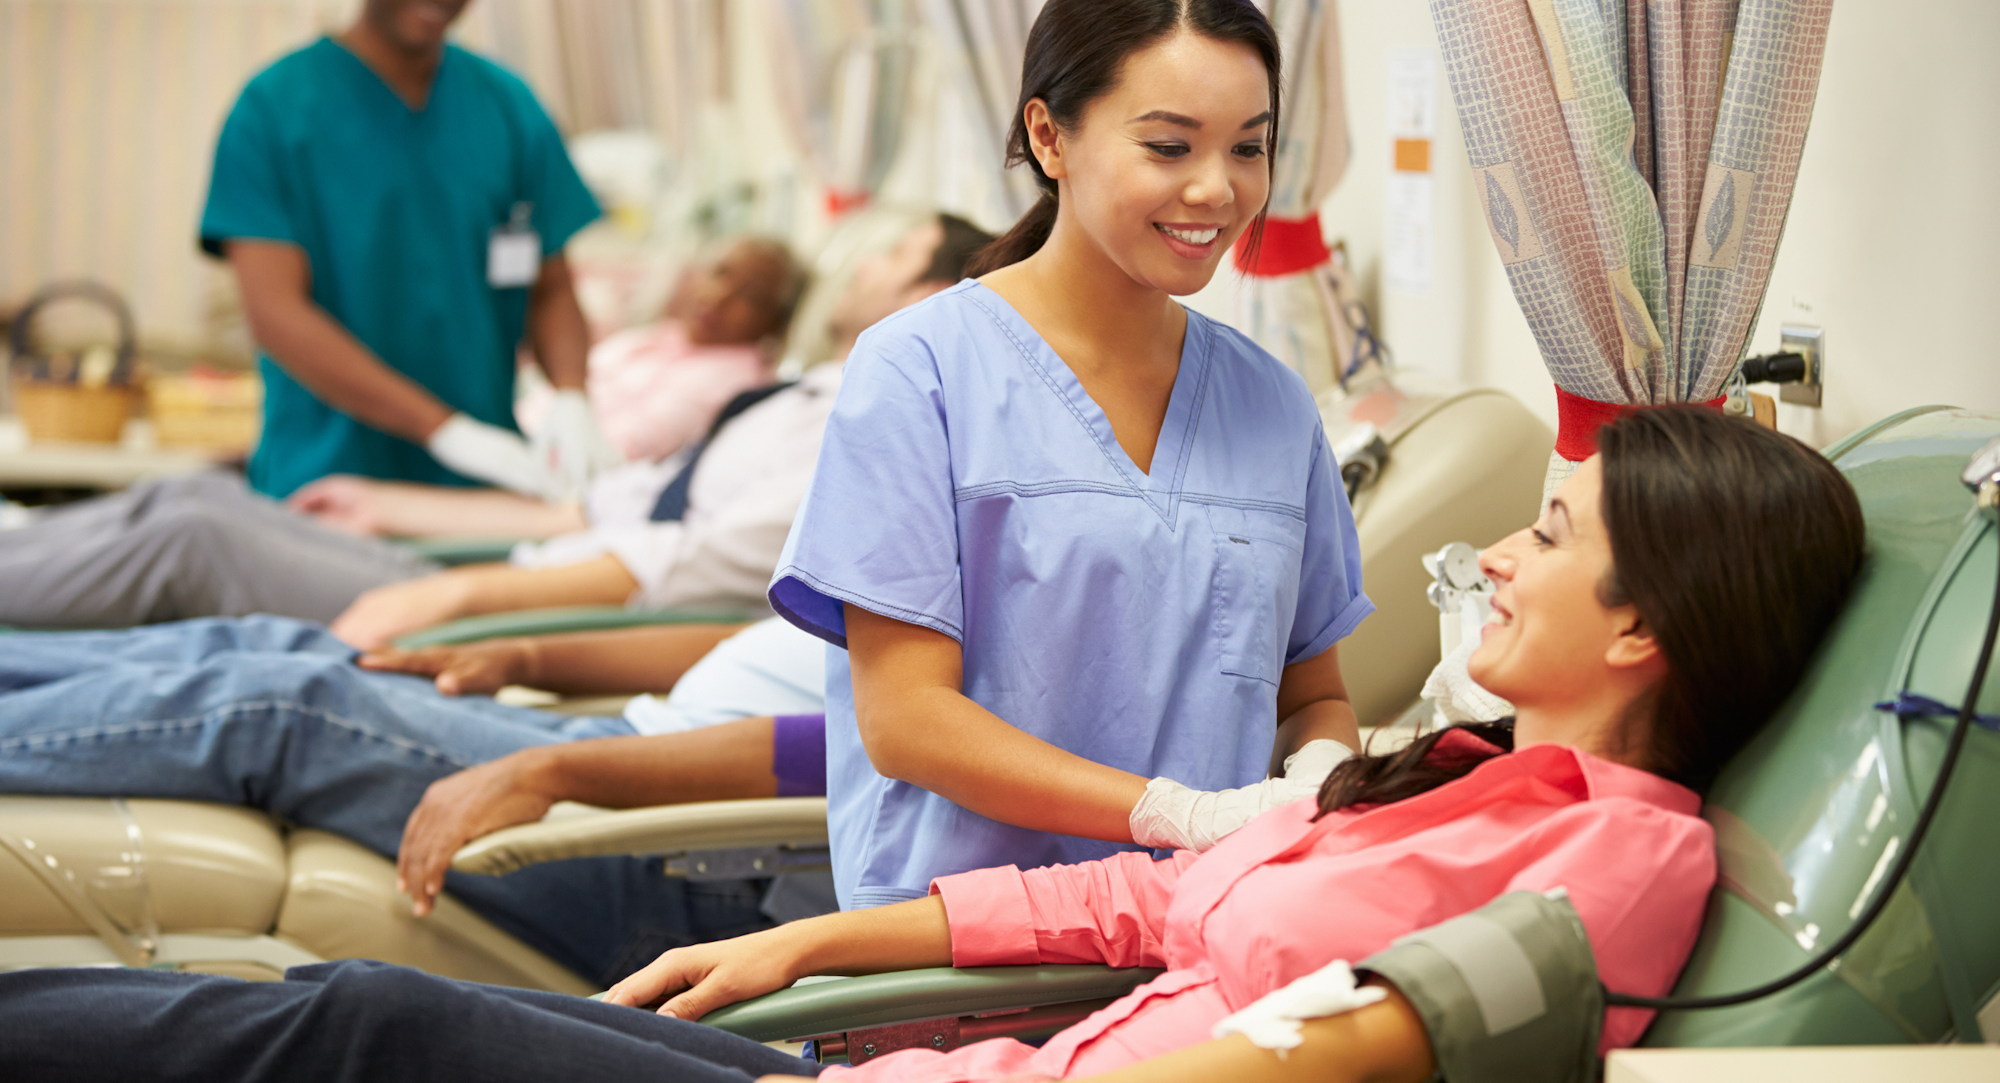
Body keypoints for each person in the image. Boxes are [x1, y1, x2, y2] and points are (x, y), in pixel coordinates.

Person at [0, 406, 1871, 1082]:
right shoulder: (1457, 769)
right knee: (319, 988)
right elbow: (1141, 900)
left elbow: (1371, 1038)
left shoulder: (1631, 849)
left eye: (1555, 535)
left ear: (1643, 627)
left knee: (351, 1020)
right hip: (907, 1060)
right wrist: (815, 939)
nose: (1506, 554)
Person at [768, 0, 1365, 912]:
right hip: (965, 961)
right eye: (1169, 147)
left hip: (1195, 943)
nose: (1217, 188)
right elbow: (906, 722)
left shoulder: (1274, 405)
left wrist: (1326, 768)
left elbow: (1310, 695)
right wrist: (1172, 814)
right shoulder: (921, 370)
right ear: (1049, 135)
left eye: (1249, 147)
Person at [0, 216, 984, 635]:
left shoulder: (859, 432)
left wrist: (464, 586)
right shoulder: (804, 393)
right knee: (193, 494)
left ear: (937, 294)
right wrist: (397, 503)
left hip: (535, 606)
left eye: (889, 258)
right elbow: (604, 502)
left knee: (194, 532)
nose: (857, 271)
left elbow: (690, 560)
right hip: (520, 562)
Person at [203, 0, 614, 501]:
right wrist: (444, 430)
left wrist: (572, 397)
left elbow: (551, 291)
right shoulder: (271, 111)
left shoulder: (508, 107)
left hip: (485, 491)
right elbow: (276, 314)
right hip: (328, 483)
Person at [511, 237, 806, 464]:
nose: (719, 296)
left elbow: (615, 454)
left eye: (750, 296)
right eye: (719, 273)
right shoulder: (664, 337)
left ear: (776, 324)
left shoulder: (731, 386)